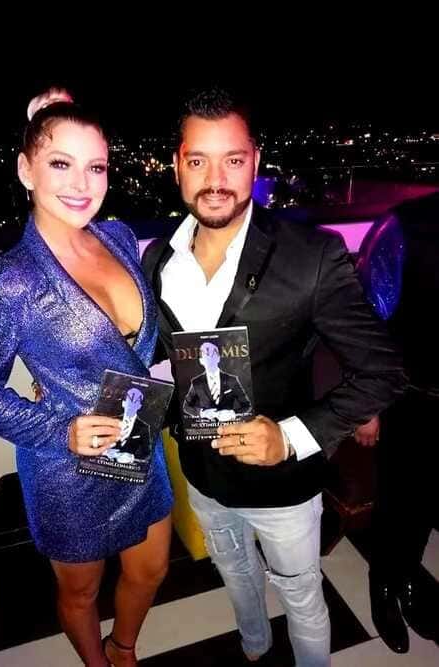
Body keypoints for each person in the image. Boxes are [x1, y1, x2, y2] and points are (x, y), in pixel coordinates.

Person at [142, 87, 405, 666]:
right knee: (234, 569)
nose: (215, 180)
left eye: (232, 160)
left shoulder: (311, 255)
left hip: (282, 485)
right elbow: (161, 354)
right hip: (202, 473)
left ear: (255, 161)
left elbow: (382, 371)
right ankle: (255, 646)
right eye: (198, 160)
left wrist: (288, 436)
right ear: (177, 166)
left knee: (301, 593)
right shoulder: (157, 259)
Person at [0, 88, 173, 667]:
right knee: (80, 591)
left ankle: (123, 647)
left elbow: (129, 343)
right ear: (25, 170)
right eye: (60, 163)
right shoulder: (7, 280)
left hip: (138, 442)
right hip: (68, 468)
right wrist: (60, 429)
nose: (81, 183)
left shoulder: (118, 237)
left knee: (151, 568)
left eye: (95, 166)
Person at [355, 194, 439, 653]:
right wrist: (368, 407)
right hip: (410, 399)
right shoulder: (405, 226)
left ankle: (408, 578)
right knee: (398, 500)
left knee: (427, 502)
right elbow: (366, 323)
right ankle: (384, 585)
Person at [183, 341, 252, 421]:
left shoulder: (231, 380)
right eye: (206, 355)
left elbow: (247, 406)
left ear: (218, 358)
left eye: (213, 354)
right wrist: (202, 413)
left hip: (229, 426)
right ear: (201, 360)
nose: (209, 358)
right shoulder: (197, 382)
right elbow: (186, 406)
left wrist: (232, 413)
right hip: (205, 426)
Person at [105, 387, 151, 463]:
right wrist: (106, 452)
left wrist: (132, 458)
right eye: (130, 400)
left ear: (139, 406)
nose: (132, 404)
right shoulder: (111, 421)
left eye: (136, 402)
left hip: (129, 467)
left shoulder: (144, 428)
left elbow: (147, 454)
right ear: (123, 403)